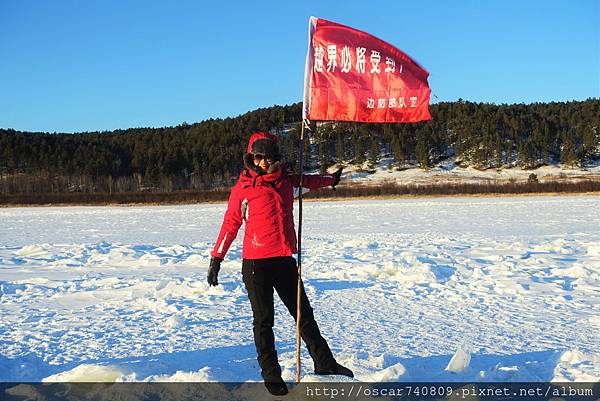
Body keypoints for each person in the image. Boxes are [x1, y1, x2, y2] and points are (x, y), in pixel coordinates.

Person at [207, 132, 352, 396]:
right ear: (251, 156)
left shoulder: (288, 182)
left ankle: (325, 363)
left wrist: (332, 179)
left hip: (284, 260)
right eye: (258, 156)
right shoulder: (244, 188)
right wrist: (217, 258)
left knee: (303, 315)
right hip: (256, 265)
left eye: (269, 156)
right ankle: (271, 376)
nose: (264, 161)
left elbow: (311, 181)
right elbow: (231, 223)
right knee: (264, 321)